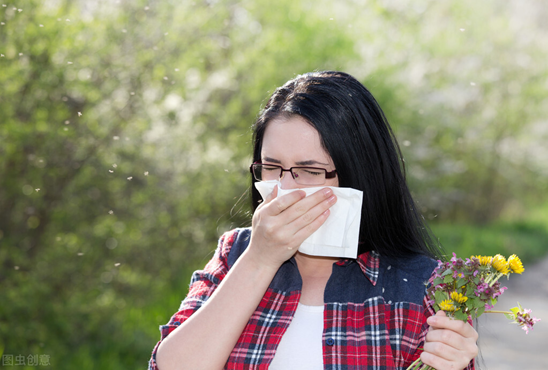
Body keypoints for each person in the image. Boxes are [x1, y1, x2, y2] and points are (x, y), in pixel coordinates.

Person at [148, 71, 478, 370]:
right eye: (272, 167)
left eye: (309, 171)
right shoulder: (235, 253)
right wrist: (260, 259)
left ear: (359, 174)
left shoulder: (422, 287)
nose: (286, 189)